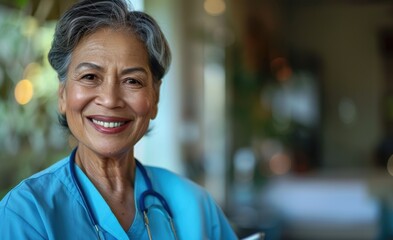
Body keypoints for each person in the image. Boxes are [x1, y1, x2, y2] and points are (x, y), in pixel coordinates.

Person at [0, 0, 238, 239]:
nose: (111, 99)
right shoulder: (26, 213)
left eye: (132, 81)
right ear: (62, 95)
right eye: (90, 76)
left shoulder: (197, 208)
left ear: (155, 98)